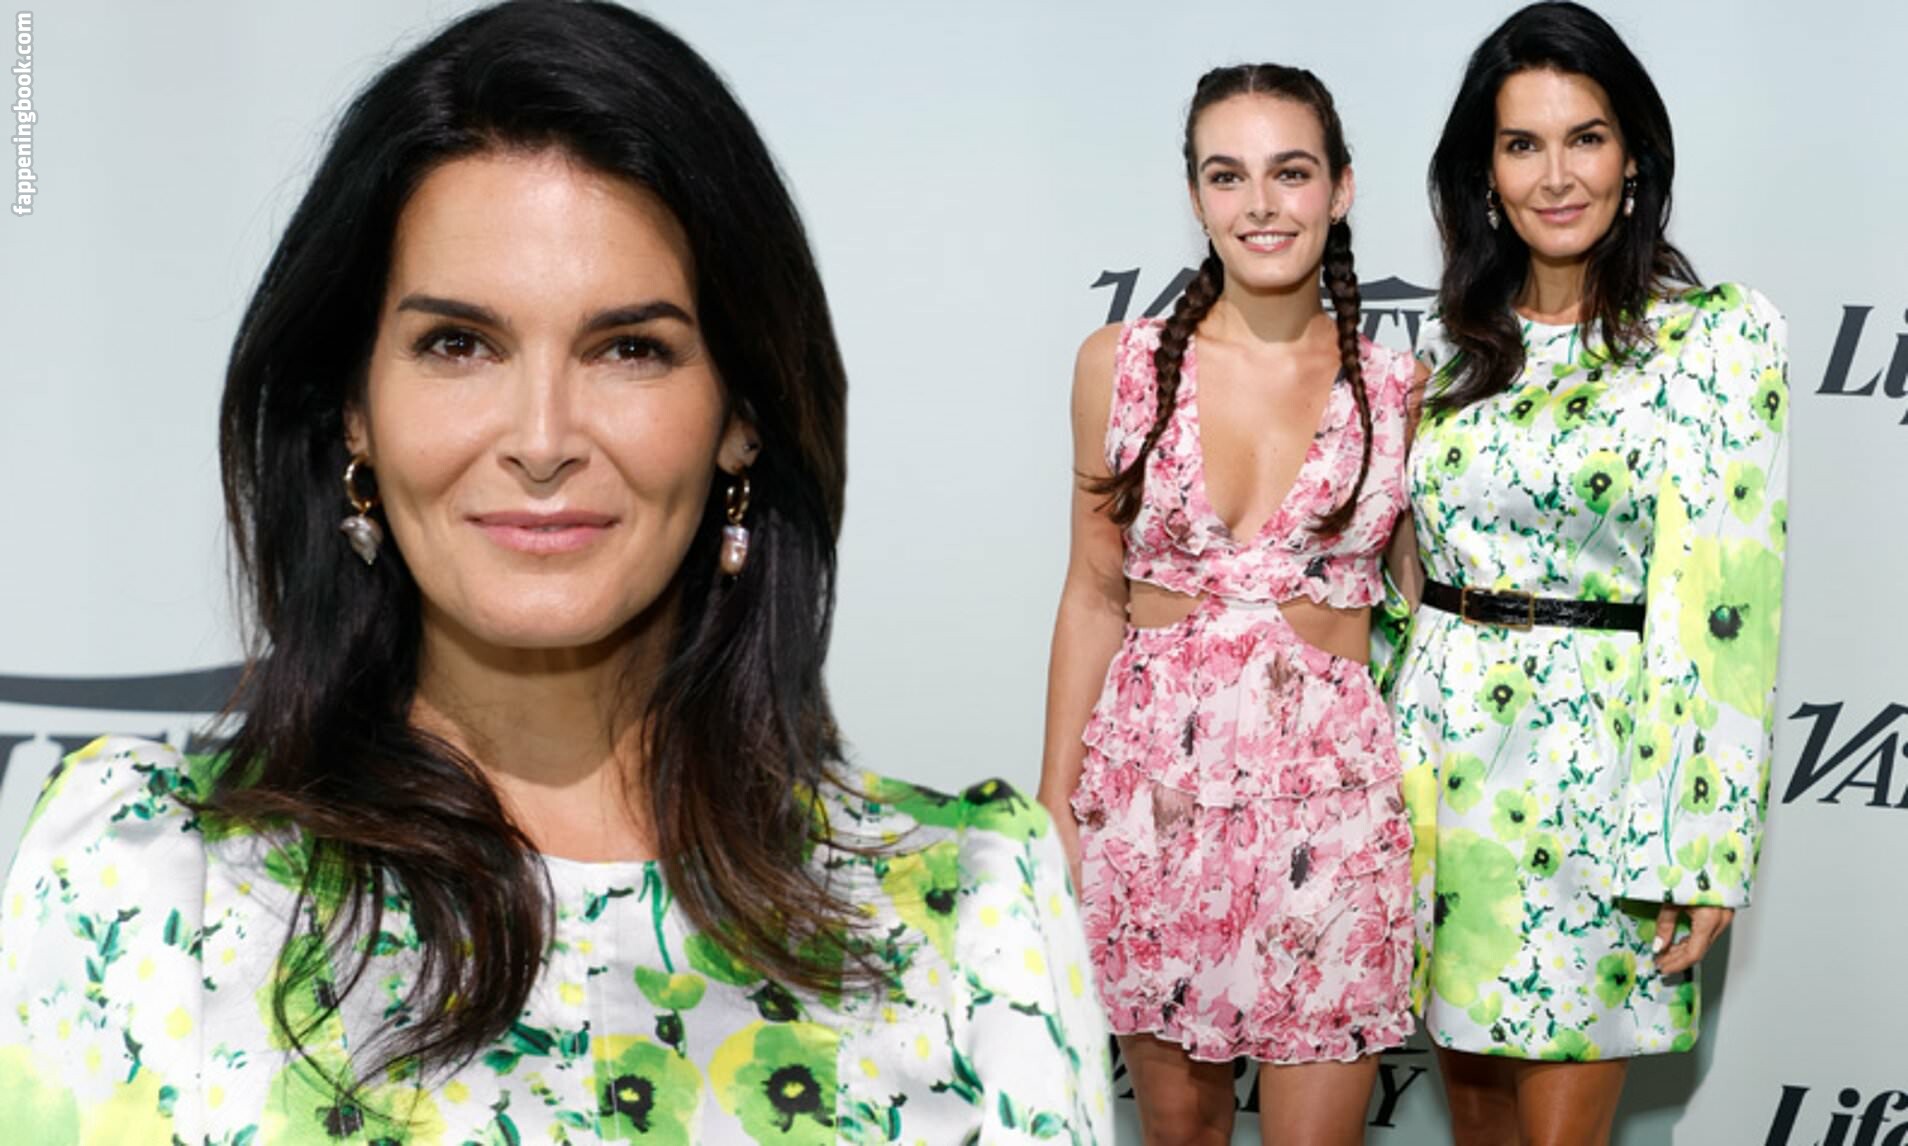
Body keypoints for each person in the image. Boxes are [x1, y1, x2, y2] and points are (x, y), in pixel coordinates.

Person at [0, 3, 1110, 1141]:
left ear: (741, 416)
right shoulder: (151, 889)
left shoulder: (971, 921)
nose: (541, 439)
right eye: (458, 344)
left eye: (629, 349)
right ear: (354, 412)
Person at [1390, 3, 1790, 1142]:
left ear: (1634, 158)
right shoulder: (1448, 349)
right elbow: (1400, 583)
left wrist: (1700, 847)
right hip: (1438, 777)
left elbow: (1728, 607)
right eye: (1522, 144)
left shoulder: (1713, 339)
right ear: (1485, 174)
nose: (1556, 176)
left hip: (1604, 781)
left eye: (1587, 138)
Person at [1038, 64, 1418, 1146]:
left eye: (1290, 172)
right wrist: (1056, 805)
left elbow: (1427, 612)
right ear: (1196, 196)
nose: (1260, 204)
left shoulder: (1400, 389)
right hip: (1154, 795)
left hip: (1334, 807)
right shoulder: (1119, 367)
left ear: (1341, 188)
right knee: (1181, 1135)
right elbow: (1093, 594)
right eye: (1227, 175)